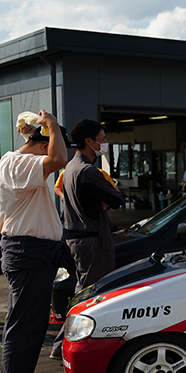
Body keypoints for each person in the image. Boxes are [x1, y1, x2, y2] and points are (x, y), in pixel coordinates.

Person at [0, 111, 69, 373]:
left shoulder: (19, 165)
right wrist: (51, 125)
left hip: (35, 252)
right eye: (51, 143)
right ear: (42, 145)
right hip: (28, 253)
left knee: (31, 325)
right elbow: (59, 159)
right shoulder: (16, 163)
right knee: (23, 327)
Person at [54, 119, 123, 358]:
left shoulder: (70, 168)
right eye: (102, 140)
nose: (104, 144)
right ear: (89, 141)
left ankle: (60, 345)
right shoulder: (88, 171)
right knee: (91, 294)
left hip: (77, 237)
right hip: (93, 239)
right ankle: (64, 346)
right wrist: (107, 198)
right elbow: (116, 197)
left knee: (83, 290)